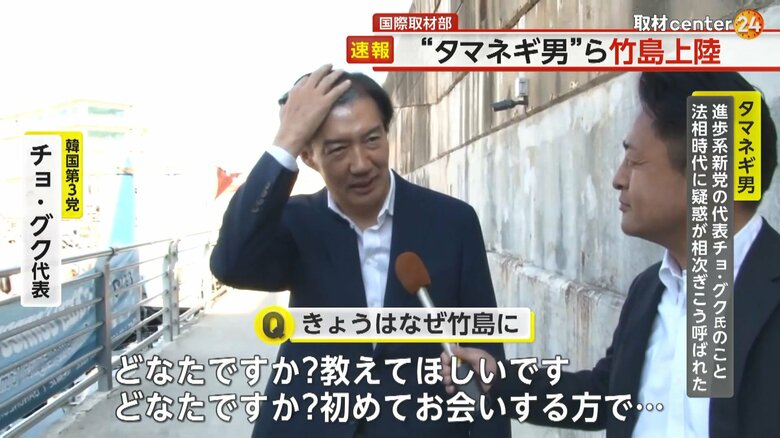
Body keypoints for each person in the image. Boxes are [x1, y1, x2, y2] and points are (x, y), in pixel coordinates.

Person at [440, 71, 780, 438]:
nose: (618, 178)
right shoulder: (649, 290)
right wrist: (498, 380)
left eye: (635, 161)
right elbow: (607, 395)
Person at [210, 64, 510, 438]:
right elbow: (230, 264)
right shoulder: (295, 223)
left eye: (372, 140)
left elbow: (486, 354)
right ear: (309, 156)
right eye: (338, 149)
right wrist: (285, 140)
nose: (361, 164)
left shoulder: (453, 222)